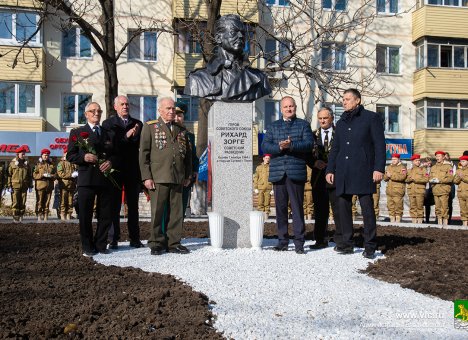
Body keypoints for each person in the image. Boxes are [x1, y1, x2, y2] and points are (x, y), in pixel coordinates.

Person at [325, 88, 386, 259]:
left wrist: (379, 168)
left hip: (364, 171)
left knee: (367, 210)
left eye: (348, 99)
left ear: (357, 100)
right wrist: (330, 169)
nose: (344, 102)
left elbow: (380, 145)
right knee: (343, 208)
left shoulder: (371, 118)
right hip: (343, 171)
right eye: (343, 99)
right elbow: (335, 148)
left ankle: (370, 245)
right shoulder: (342, 121)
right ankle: (346, 243)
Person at [139, 97, 192, 255]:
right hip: (158, 177)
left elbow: (187, 155)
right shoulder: (150, 127)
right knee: (158, 212)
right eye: (168, 108)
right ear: (160, 110)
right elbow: (144, 155)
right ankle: (156, 243)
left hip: (177, 177)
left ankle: (173, 242)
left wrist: (188, 175)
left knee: (176, 212)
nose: (171, 111)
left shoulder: (181, 129)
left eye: (173, 108)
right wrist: (146, 177)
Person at [261, 96, 314, 254]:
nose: (289, 109)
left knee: (297, 209)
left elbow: (309, 144)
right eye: (286, 107)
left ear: (295, 107)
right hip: (278, 173)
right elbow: (265, 145)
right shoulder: (273, 126)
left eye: (291, 106)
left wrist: (291, 146)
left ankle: (299, 243)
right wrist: (279, 146)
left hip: (295, 172)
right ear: (281, 109)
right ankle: (282, 241)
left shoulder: (303, 125)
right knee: (280, 209)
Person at [66, 101, 119, 256]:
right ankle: (87, 245)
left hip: (105, 179)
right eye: (93, 111)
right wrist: (84, 156)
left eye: (99, 111)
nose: (97, 113)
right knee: (85, 214)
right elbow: (70, 155)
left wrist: (110, 162)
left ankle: (101, 243)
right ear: (86, 114)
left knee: (105, 214)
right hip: (87, 179)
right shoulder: (77, 133)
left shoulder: (108, 133)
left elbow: (116, 155)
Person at [184, 14, 271, 102]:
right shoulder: (198, 79)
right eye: (233, 32)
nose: (241, 36)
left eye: (243, 33)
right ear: (218, 38)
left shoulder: (260, 78)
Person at [102, 95, 144, 249]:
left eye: (127, 104)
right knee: (114, 205)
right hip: (115, 169)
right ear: (115, 107)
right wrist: (126, 136)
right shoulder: (108, 124)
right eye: (122, 104)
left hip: (132, 169)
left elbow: (140, 146)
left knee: (133, 206)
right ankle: (113, 239)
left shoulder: (138, 124)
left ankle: (135, 238)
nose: (125, 106)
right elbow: (111, 147)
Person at [310, 106, 339, 250]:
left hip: (336, 177)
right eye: (320, 118)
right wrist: (314, 162)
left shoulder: (339, 134)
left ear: (332, 118)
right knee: (320, 211)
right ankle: (320, 239)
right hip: (318, 178)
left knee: (338, 209)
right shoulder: (312, 135)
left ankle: (341, 240)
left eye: (325, 118)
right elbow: (307, 154)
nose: (322, 121)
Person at [174, 101, 199, 217]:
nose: (176, 118)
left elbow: (193, 156)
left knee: (181, 209)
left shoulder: (189, 135)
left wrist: (194, 172)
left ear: (183, 117)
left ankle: (177, 235)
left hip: (184, 178)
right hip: (168, 177)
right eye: (174, 115)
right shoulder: (164, 132)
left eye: (179, 115)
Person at [7, 147, 32, 222]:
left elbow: (29, 175)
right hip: (15, 186)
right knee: (15, 202)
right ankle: (15, 217)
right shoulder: (12, 164)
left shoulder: (26, 164)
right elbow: (9, 175)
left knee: (23, 202)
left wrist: (30, 185)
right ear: (18, 154)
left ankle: (21, 216)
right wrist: (9, 185)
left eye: (24, 154)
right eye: (22, 154)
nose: (23, 155)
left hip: (24, 185)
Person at [429, 150, 454, 226]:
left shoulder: (448, 167)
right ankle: (439, 223)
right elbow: (429, 177)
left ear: (443, 157)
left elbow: (450, 178)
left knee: (444, 207)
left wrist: (439, 180)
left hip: (444, 190)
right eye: (436, 156)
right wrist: (432, 180)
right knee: (437, 207)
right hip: (435, 190)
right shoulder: (433, 167)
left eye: (439, 156)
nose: (437, 158)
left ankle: (445, 223)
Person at [33, 148, 56, 221]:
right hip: (40, 185)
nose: (46, 156)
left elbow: (56, 174)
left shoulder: (52, 164)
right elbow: (34, 175)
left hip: (49, 186)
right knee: (39, 201)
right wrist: (42, 175)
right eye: (44, 155)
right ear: (42, 155)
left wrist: (51, 176)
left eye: (47, 155)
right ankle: (39, 215)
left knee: (47, 202)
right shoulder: (37, 164)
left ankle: (46, 215)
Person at [383, 153, 407, 223]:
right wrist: (387, 176)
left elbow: (402, 177)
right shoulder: (389, 167)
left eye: (395, 159)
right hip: (389, 190)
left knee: (398, 206)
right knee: (390, 206)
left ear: (399, 160)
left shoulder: (402, 167)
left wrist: (391, 176)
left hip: (398, 190)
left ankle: (398, 221)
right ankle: (392, 221)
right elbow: (384, 178)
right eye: (392, 159)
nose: (393, 161)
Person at [405, 154, 428, 224]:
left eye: (418, 160)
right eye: (416, 160)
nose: (418, 162)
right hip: (411, 190)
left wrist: (416, 179)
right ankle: (414, 221)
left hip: (420, 190)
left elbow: (426, 179)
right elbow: (405, 179)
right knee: (412, 206)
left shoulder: (423, 169)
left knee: (420, 206)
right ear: (412, 161)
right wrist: (409, 179)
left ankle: (420, 221)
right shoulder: (409, 170)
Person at [57, 147, 78, 220]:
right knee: (63, 201)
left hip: (71, 185)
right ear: (64, 154)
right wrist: (71, 175)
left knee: (70, 201)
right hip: (64, 185)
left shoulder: (73, 163)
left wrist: (76, 174)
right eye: (66, 154)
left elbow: (76, 171)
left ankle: (69, 214)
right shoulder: (61, 163)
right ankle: (62, 215)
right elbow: (60, 174)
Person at [253, 154, 273, 220]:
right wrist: (255, 188)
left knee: (267, 202)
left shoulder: (271, 167)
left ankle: (266, 217)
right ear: (263, 158)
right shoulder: (259, 167)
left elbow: (273, 178)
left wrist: (273, 188)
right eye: (266, 158)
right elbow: (256, 177)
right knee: (260, 202)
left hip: (268, 187)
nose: (267, 159)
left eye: (269, 158)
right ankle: (261, 218)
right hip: (260, 187)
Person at [454, 155, 468, 227]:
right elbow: (455, 181)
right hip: (461, 193)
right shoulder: (458, 170)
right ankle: (464, 224)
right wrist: (459, 177)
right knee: (463, 209)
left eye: (463, 161)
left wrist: (463, 177)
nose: (462, 163)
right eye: (461, 161)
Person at [444, 152, 456, 224]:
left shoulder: (452, 165)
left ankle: (449, 219)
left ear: (449, 157)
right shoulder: (441, 165)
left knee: (449, 202)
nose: (445, 158)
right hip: (442, 186)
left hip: (451, 185)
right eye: (444, 157)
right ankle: (440, 218)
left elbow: (453, 175)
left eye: (446, 157)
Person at [422, 157, 435, 223]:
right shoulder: (421, 168)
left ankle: (427, 219)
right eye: (428, 163)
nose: (429, 164)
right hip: (422, 188)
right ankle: (421, 219)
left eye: (430, 163)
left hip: (430, 188)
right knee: (420, 204)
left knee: (428, 205)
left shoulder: (433, 168)